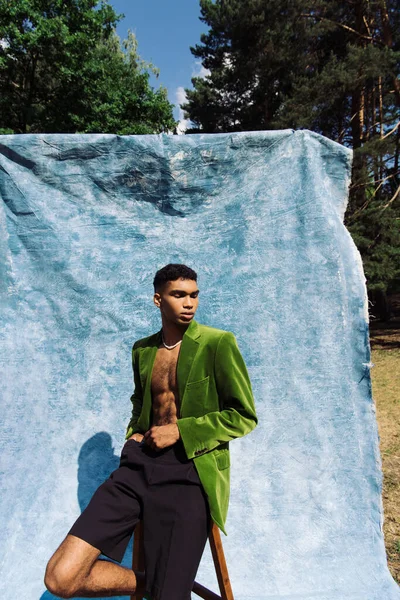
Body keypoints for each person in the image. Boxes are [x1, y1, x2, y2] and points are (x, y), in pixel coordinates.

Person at [44, 263, 258, 600]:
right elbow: (141, 401)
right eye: (178, 295)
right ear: (159, 300)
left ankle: (165, 586)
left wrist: (181, 431)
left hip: (189, 471)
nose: (189, 303)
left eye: (194, 295)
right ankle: (156, 582)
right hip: (136, 468)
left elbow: (243, 416)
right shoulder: (142, 349)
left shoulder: (218, 343)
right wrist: (134, 433)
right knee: (61, 578)